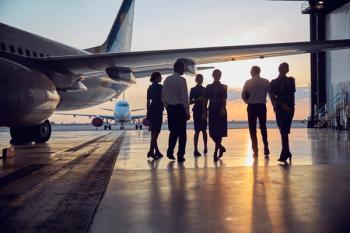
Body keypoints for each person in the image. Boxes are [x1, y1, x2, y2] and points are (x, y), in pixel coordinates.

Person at [162, 61, 190, 163]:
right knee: (182, 134)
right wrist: (187, 112)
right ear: (179, 68)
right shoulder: (182, 80)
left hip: (171, 109)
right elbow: (184, 98)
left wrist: (168, 107)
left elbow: (163, 96)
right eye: (183, 68)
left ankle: (170, 151)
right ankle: (180, 155)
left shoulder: (167, 80)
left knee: (173, 132)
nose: (184, 70)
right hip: (180, 109)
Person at [241, 66, 271, 158]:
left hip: (251, 107)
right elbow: (271, 94)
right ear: (259, 72)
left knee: (252, 129)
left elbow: (243, 95)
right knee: (263, 127)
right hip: (262, 106)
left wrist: (247, 101)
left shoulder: (248, 82)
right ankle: (266, 146)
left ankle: (255, 150)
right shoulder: (266, 81)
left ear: (252, 72)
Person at [270, 62, 296, 164]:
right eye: (284, 68)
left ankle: (285, 152)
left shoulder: (291, 80)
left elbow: (291, 95)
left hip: (289, 107)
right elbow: (272, 97)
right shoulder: (273, 82)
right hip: (280, 107)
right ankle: (286, 152)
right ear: (279, 69)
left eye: (287, 68)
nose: (285, 70)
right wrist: (278, 106)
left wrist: (290, 107)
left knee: (284, 130)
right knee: (283, 130)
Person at [204, 69, 228, 162]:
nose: (218, 76)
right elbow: (205, 100)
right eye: (216, 75)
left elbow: (224, 99)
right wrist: (204, 111)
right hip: (212, 109)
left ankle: (215, 152)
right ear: (213, 76)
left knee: (220, 132)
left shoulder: (223, 86)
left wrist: (223, 108)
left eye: (219, 75)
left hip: (220, 109)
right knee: (212, 132)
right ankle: (221, 147)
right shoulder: (208, 87)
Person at [146, 72, 164, 159]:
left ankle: (156, 151)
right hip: (158, 109)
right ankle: (151, 151)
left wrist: (148, 112)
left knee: (154, 131)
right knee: (156, 131)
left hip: (152, 109)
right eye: (160, 77)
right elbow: (164, 99)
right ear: (156, 78)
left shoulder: (149, 88)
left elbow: (148, 101)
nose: (161, 78)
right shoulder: (160, 87)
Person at [190, 74, 208, 157]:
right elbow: (190, 102)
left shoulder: (205, 89)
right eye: (199, 79)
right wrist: (197, 99)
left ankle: (205, 147)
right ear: (196, 80)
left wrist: (205, 112)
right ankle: (195, 149)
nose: (201, 80)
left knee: (204, 130)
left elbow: (207, 100)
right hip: (196, 110)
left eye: (202, 78)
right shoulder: (193, 90)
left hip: (203, 110)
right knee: (197, 130)